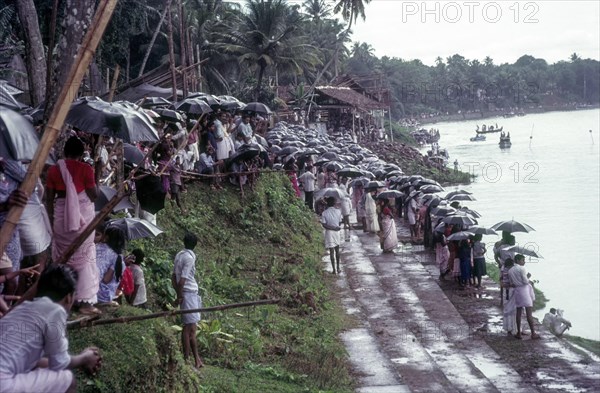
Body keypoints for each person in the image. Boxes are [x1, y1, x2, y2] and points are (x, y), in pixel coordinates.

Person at [0, 265, 102, 393]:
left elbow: (35, 362)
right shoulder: (55, 310)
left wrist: (79, 361)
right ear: (69, 297)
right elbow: (59, 363)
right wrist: (86, 357)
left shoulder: (21, 308)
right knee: (68, 380)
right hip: (4, 384)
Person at [45, 136, 99, 315]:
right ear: (82, 153)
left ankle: (59, 298)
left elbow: (49, 199)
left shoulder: (54, 170)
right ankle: (83, 303)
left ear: (65, 151)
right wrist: (95, 175)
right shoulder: (86, 169)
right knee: (84, 258)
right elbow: (94, 196)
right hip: (82, 223)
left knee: (62, 259)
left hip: (61, 221)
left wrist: (52, 219)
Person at [172, 233, 203, 369]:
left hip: (187, 292)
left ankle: (196, 359)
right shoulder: (189, 258)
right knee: (188, 328)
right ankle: (188, 359)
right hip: (188, 293)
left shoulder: (179, 255)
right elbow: (182, 279)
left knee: (191, 327)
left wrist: (178, 293)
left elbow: (174, 277)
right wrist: (180, 295)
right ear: (195, 245)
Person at [508, 254, 540, 340]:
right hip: (524, 291)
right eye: (523, 260)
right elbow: (525, 281)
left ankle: (518, 332)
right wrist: (528, 277)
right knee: (529, 313)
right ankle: (533, 333)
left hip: (517, 291)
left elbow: (512, 283)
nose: (524, 262)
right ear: (518, 260)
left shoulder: (510, 270)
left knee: (518, 312)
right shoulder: (522, 268)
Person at [95, 226, 128, 305]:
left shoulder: (95, 246)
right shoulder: (117, 256)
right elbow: (106, 280)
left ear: (106, 237)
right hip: (99, 295)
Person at [320, 197, 342, 274]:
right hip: (337, 232)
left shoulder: (324, 213)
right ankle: (338, 267)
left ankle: (334, 269)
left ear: (327, 203)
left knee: (331, 252)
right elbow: (339, 223)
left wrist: (331, 227)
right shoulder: (338, 212)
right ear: (334, 203)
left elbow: (324, 225)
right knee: (337, 250)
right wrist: (335, 227)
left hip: (329, 233)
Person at [502, 259, 517, 335]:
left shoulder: (504, 270)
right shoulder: (510, 271)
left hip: (507, 291)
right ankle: (512, 327)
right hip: (510, 291)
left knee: (507, 309)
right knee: (512, 309)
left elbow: (503, 283)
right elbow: (506, 283)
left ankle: (508, 327)